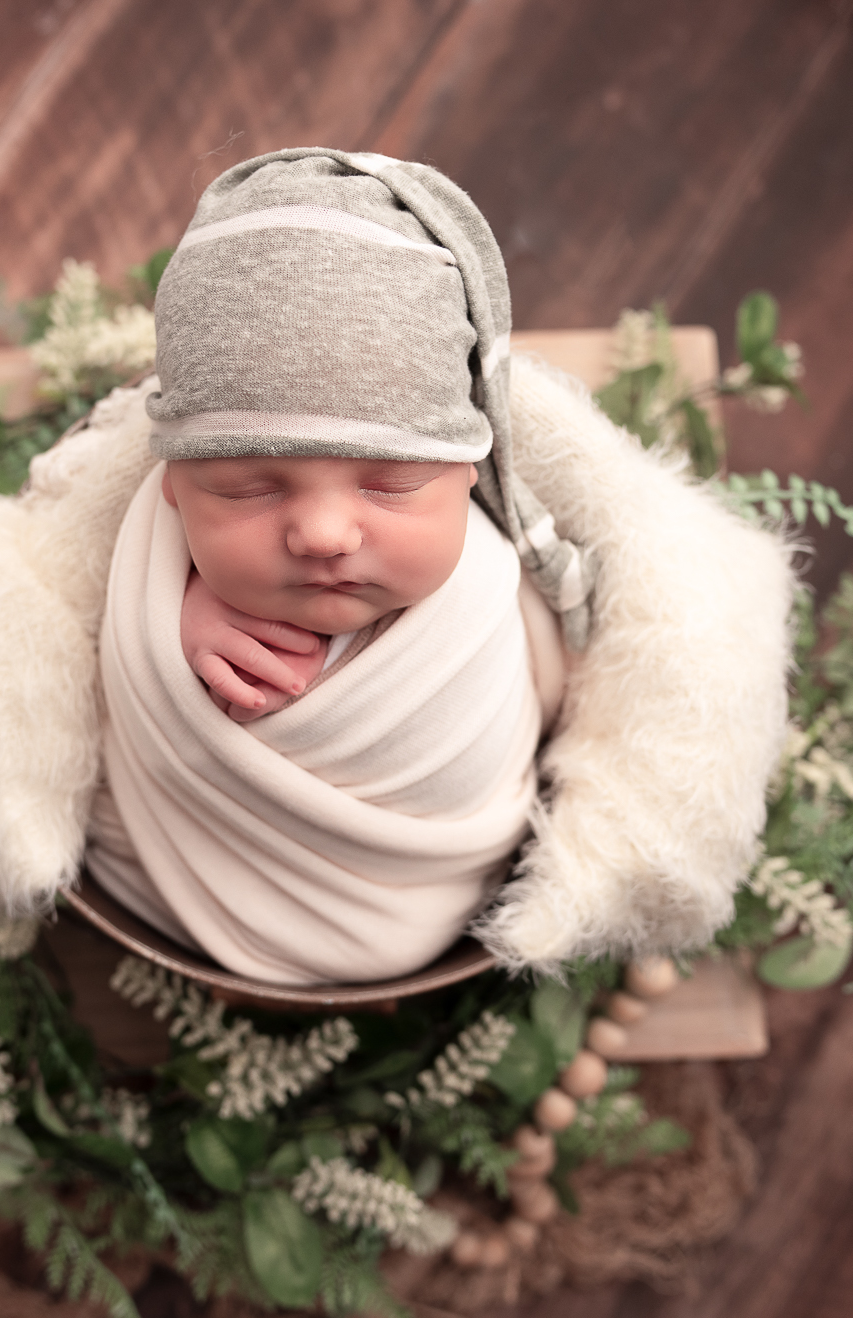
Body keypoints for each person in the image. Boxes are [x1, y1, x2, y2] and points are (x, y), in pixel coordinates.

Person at [81, 149, 586, 985]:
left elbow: (561, 687)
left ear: (468, 471)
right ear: (172, 485)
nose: (321, 533)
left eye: (389, 484)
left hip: (429, 890)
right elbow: (83, 654)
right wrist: (164, 632)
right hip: (180, 888)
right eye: (248, 488)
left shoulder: (495, 588)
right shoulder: (152, 569)